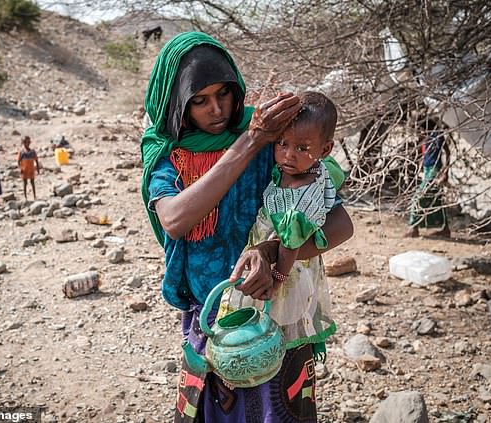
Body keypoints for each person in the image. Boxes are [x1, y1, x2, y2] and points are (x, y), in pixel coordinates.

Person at [140, 32, 353, 422]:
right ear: (176, 103)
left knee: (278, 408)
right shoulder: (171, 153)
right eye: (199, 100)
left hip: (276, 306)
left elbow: (338, 222)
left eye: (223, 93)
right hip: (210, 306)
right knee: (215, 405)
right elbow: (174, 220)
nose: (217, 109)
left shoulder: (279, 140)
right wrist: (249, 142)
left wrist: (275, 252)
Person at [219, 91, 340, 360]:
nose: (288, 155)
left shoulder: (302, 197)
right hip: (283, 265)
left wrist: (277, 279)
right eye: (282, 144)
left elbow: (290, 244)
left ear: (325, 149)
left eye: (302, 148)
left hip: (287, 274)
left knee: (269, 330)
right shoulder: (314, 170)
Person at [405, 118, 451, 238]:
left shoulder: (436, 136)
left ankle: (413, 227)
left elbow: (447, 152)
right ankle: (445, 228)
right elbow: (424, 155)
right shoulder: (423, 138)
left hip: (435, 169)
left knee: (418, 196)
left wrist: (445, 172)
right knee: (436, 199)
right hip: (427, 170)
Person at [17, 135, 40, 200]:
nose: (27, 144)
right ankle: (25, 197)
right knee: (25, 183)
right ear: (23, 143)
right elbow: (18, 161)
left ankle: (34, 196)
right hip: (24, 170)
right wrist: (20, 168)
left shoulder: (32, 152)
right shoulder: (21, 152)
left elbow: (36, 160)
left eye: (28, 142)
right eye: (25, 142)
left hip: (31, 170)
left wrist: (38, 168)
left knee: (32, 182)